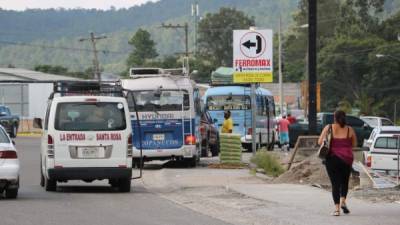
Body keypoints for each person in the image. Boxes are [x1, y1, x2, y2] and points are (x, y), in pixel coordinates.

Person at [318, 110, 357, 216]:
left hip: (332, 159)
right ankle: (343, 201)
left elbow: (320, 141)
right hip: (347, 159)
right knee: (345, 182)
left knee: (335, 184)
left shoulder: (329, 127)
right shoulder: (350, 129)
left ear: (334, 118)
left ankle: (336, 209)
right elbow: (354, 144)